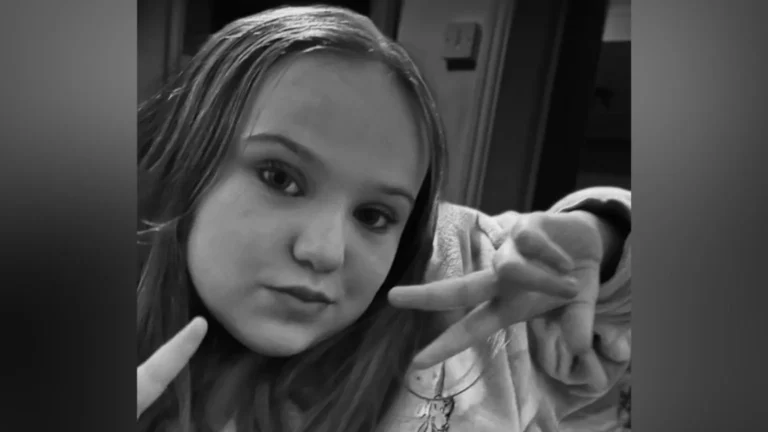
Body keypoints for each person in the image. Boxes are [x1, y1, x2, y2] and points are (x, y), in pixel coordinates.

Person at [136, 5, 631, 432]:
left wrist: (604, 235)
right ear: (186, 163)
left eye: (374, 215)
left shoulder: (469, 290)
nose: (325, 251)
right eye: (280, 178)